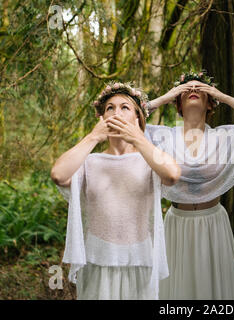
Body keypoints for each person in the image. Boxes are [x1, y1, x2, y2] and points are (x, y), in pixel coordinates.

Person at [50, 82, 181, 300]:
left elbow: (172, 174)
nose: (116, 112)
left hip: (140, 260)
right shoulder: (90, 161)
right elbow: (58, 174)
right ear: (101, 118)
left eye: (125, 107)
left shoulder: (150, 160)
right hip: (97, 260)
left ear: (137, 119)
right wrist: (93, 137)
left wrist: (138, 138)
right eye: (109, 108)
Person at [145, 71, 234, 299]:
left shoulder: (226, 136)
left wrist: (222, 95)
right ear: (178, 103)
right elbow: (127, 119)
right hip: (176, 224)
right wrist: (164, 97)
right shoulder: (161, 136)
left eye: (200, 89)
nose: (192, 90)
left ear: (210, 103)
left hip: (213, 222)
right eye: (186, 89)